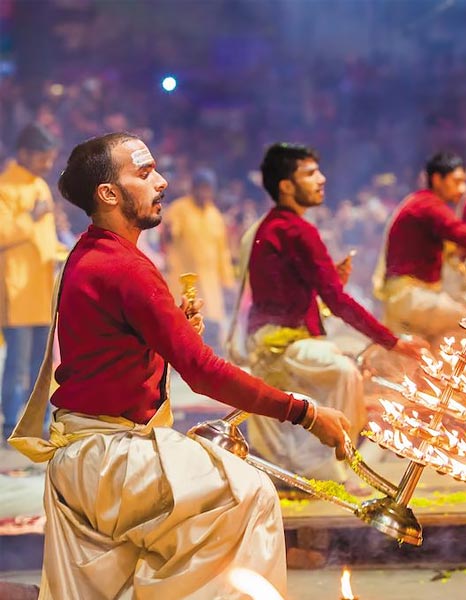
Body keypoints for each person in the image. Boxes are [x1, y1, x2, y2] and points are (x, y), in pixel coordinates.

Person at [9, 132, 350, 599]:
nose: (163, 182)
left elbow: (113, 353)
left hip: (88, 456)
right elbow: (204, 371)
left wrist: (174, 331)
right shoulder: (124, 267)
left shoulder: (94, 253)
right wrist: (305, 412)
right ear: (108, 194)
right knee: (249, 495)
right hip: (110, 459)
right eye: (145, 173)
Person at [241, 143, 425, 484]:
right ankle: (331, 464)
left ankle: (331, 458)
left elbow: (295, 294)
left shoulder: (276, 226)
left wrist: (326, 285)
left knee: (349, 362)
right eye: (310, 173)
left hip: (281, 337)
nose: (321, 179)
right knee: (344, 371)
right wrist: (394, 342)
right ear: (286, 185)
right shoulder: (296, 230)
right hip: (280, 345)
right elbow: (338, 302)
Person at [374, 151, 466, 340]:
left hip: (413, 296)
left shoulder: (423, 203)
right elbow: (461, 233)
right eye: (456, 181)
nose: (462, 188)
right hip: (410, 297)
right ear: (437, 179)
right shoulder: (428, 206)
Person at [0, 123, 61, 441]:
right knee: (18, 363)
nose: (48, 165)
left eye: (50, 158)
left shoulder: (40, 185)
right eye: (43, 158)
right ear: (24, 153)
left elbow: (45, 238)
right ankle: (11, 422)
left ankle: (34, 422)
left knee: (40, 366)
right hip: (16, 289)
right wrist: (31, 217)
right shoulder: (5, 187)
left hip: (41, 288)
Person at [162, 168, 235, 354]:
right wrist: (169, 232)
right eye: (201, 188)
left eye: (208, 189)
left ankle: (209, 362)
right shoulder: (179, 209)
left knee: (211, 324)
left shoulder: (215, 215)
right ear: (193, 189)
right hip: (185, 281)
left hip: (210, 284)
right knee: (183, 323)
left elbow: (222, 252)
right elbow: (170, 235)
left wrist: (227, 281)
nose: (205, 193)